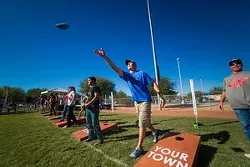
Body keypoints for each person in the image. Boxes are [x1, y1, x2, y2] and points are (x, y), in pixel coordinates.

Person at [94, 48, 166, 158]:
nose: (128, 64)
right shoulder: (127, 76)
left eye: (130, 62)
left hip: (145, 101)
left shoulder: (142, 73)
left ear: (135, 64)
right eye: (127, 64)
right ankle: (155, 131)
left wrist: (160, 96)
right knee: (144, 122)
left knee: (141, 123)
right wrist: (104, 56)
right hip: (136, 102)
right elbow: (115, 68)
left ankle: (139, 148)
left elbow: (153, 84)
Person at [218, 58, 250, 159]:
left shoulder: (248, 74)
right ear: (229, 66)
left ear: (242, 64)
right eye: (232, 64)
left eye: (237, 63)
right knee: (247, 127)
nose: (235, 65)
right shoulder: (227, 79)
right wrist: (221, 101)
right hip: (238, 107)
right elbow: (224, 91)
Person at [83, 77, 103, 145]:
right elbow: (86, 97)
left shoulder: (96, 87)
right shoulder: (89, 89)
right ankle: (91, 136)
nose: (88, 82)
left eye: (90, 80)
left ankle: (100, 139)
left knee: (95, 124)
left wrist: (88, 104)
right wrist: (84, 103)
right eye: (88, 80)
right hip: (88, 109)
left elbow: (96, 97)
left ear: (94, 81)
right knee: (89, 124)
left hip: (94, 108)